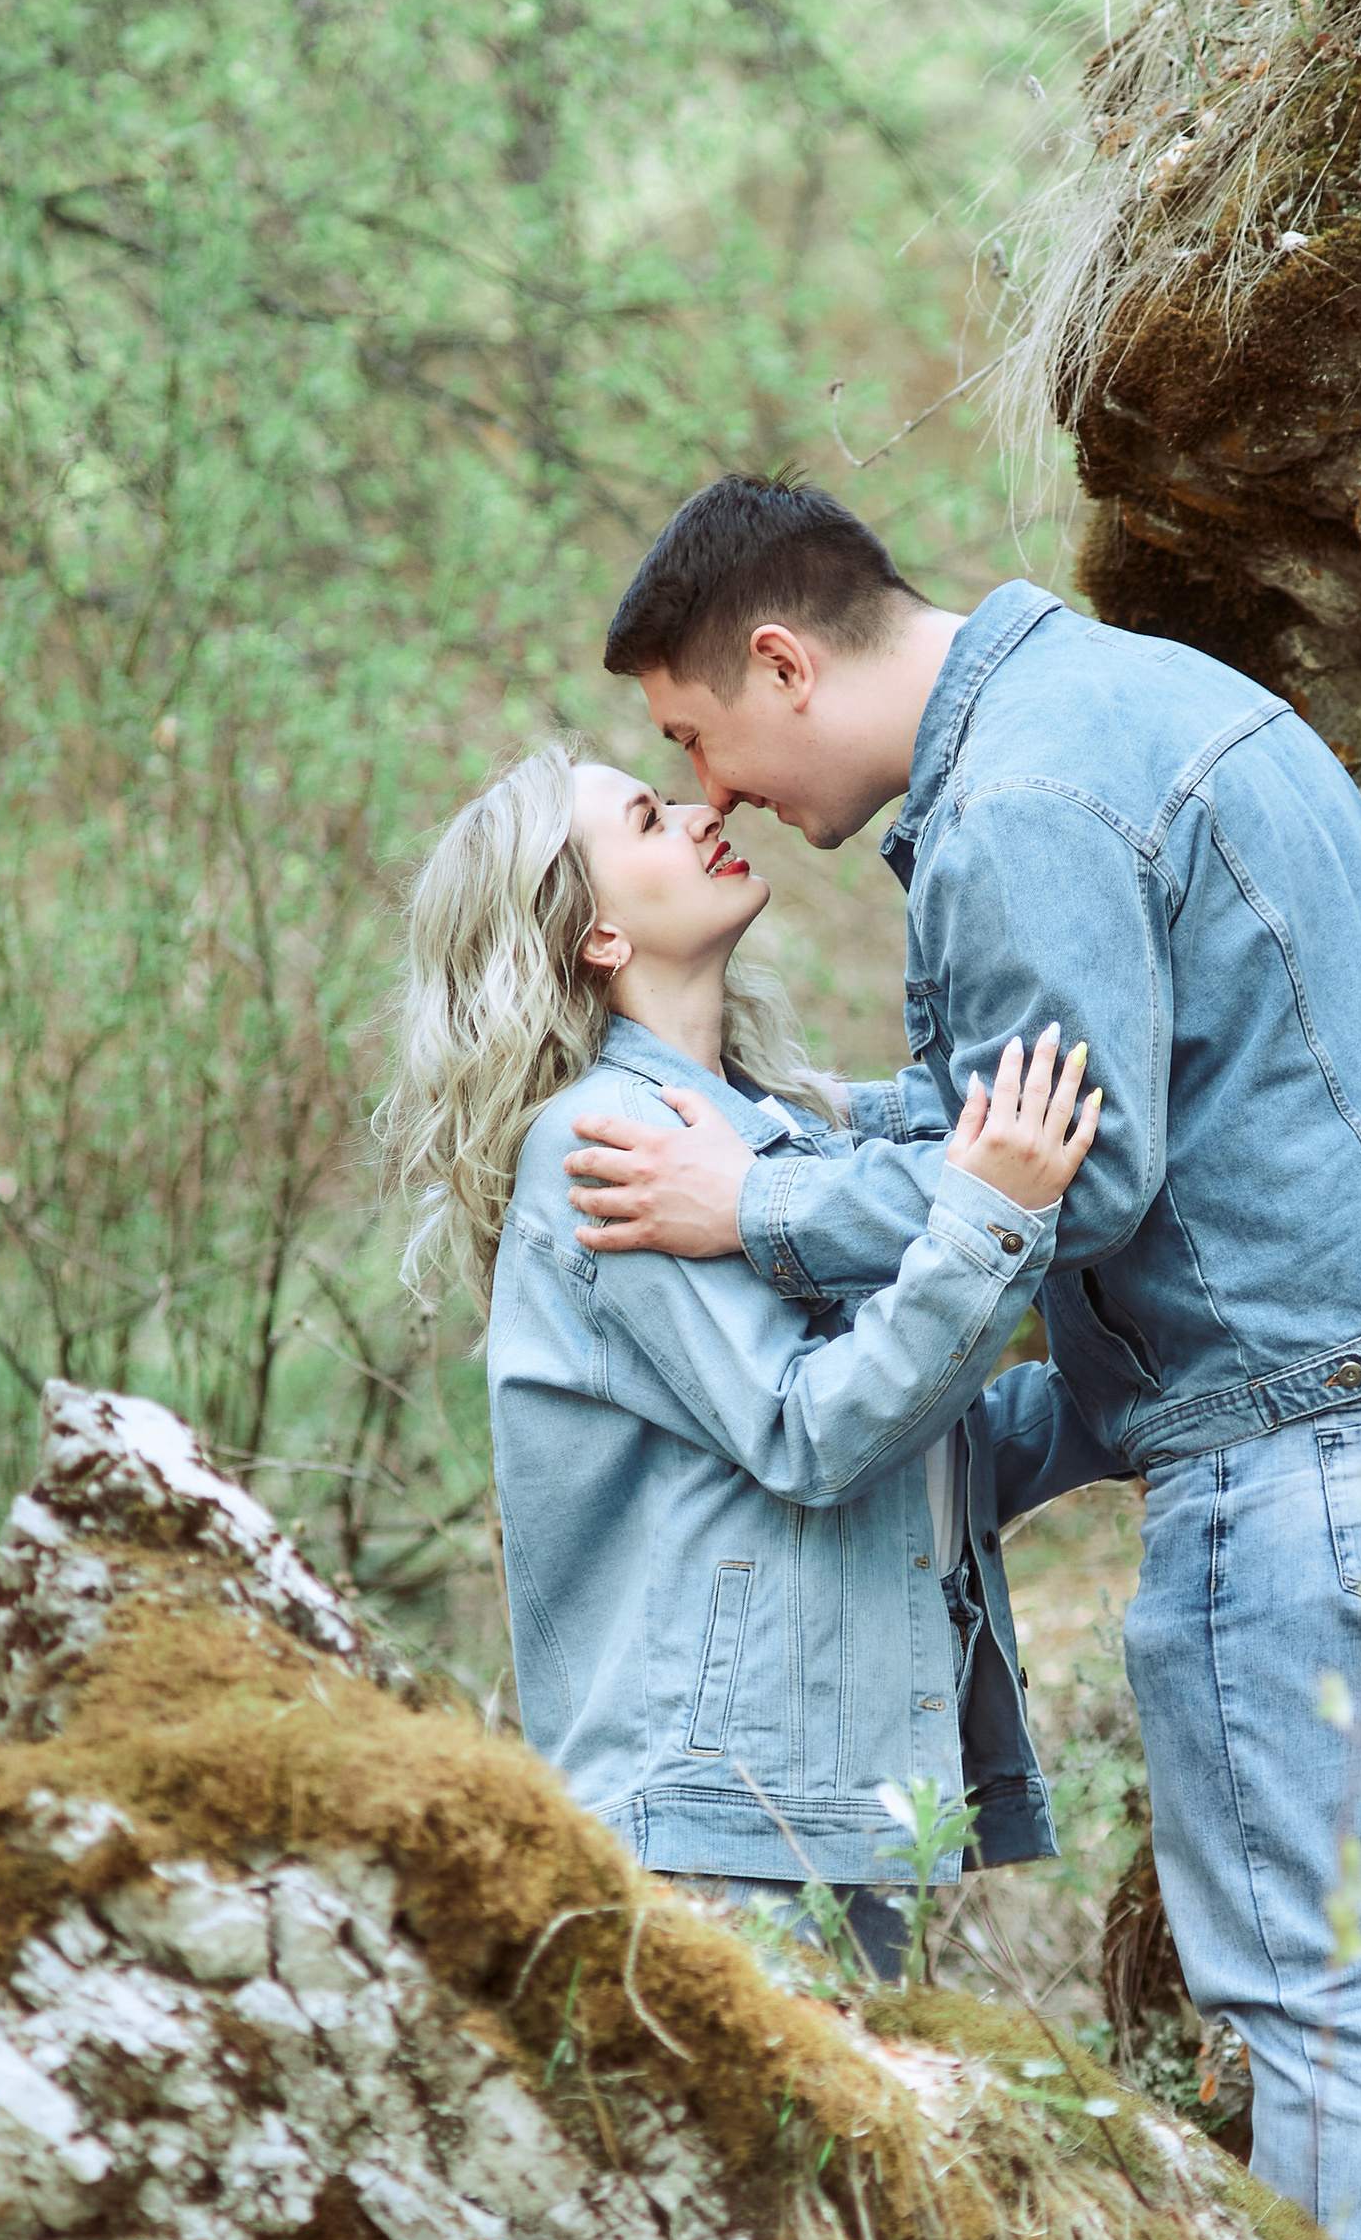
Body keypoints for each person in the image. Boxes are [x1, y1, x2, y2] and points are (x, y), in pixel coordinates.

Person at [559, 477, 1361, 2240]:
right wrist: (820, 1126)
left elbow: (1068, 1184)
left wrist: (744, 1209)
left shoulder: (1014, 811)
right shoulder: (1107, 698)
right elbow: (998, 1100)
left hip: (1316, 1449)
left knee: (1315, 1997)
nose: (716, 791)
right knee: (1350, 1961)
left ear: (780, 661)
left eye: (697, 735)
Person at [379, 743, 1108, 1976]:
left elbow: (916, 1451)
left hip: (828, 1798)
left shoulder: (755, 1142)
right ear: (596, 935)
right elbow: (814, 1434)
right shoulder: (607, 1147)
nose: (696, 809)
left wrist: (1140, 1393)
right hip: (716, 1819)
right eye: (643, 819)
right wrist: (990, 1223)